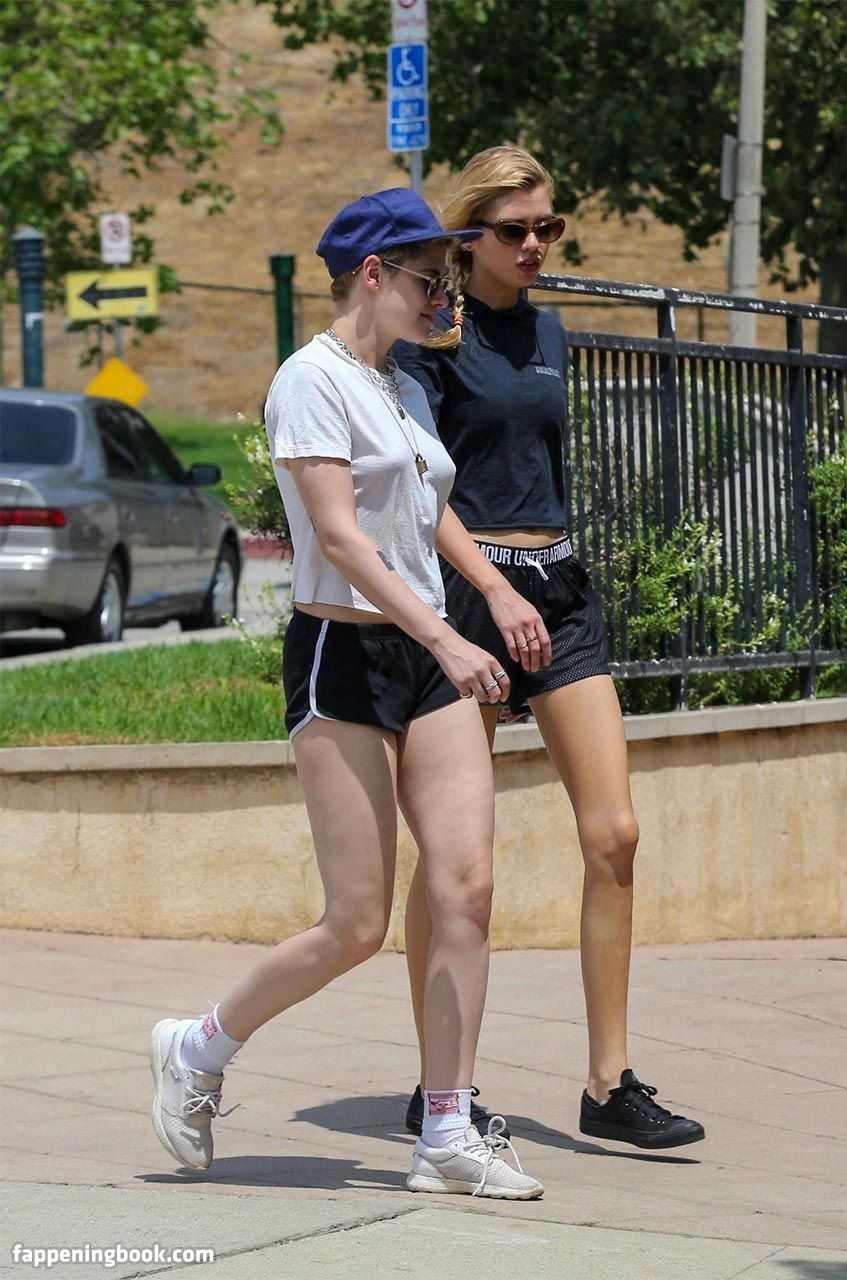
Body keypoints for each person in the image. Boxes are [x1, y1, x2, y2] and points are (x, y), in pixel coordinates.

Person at [148, 187, 551, 1198]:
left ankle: (446, 1130)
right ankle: (197, 1046)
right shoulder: (310, 380)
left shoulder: (401, 385)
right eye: (429, 279)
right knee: (357, 922)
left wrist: (494, 590)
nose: (444, 297)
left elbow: (427, 507)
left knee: (464, 888)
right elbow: (339, 535)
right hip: (344, 653)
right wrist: (445, 635)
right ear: (372, 274)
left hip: (427, 659)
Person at [393, 148, 705, 1151]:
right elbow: (418, 487)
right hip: (466, 597)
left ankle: (608, 1083)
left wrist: (536, 580)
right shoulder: (429, 335)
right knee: (454, 854)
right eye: (513, 229)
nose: (533, 244)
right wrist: (487, 587)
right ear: (468, 234)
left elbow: (543, 466)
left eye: (547, 227)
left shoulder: (549, 330)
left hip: (558, 590)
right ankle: (440, 1079)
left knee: (615, 833)